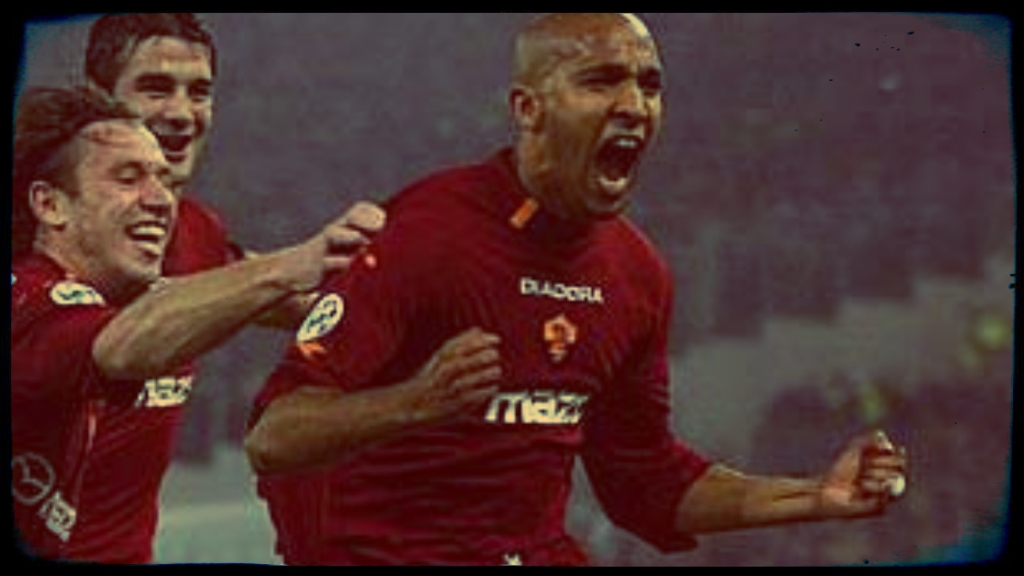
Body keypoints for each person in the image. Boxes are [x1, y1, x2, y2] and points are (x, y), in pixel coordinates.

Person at [244, 13, 908, 566]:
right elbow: (275, 436)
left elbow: (645, 480)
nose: (634, 106)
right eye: (601, 80)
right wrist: (415, 403)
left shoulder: (637, 273)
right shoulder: (429, 234)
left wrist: (815, 496)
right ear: (528, 109)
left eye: (650, 85)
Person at [10, 86, 384, 563]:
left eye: (163, 180)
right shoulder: (27, 299)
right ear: (50, 204)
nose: (160, 200)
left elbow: (275, 301)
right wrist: (292, 265)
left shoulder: (180, 256)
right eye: (128, 178)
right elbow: (120, 347)